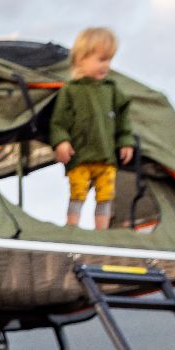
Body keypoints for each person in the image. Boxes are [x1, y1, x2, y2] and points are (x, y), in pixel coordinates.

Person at [50, 26, 135, 230]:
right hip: (80, 157)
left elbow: (123, 118)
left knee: (106, 195)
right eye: (102, 59)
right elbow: (58, 121)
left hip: (106, 157)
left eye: (109, 60)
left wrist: (126, 141)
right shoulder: (71, 90)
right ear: (81, 58)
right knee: (78, 192)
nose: (107, 66)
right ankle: (72, 227)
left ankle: (101, 231)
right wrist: (61, 141)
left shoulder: (111, 90)